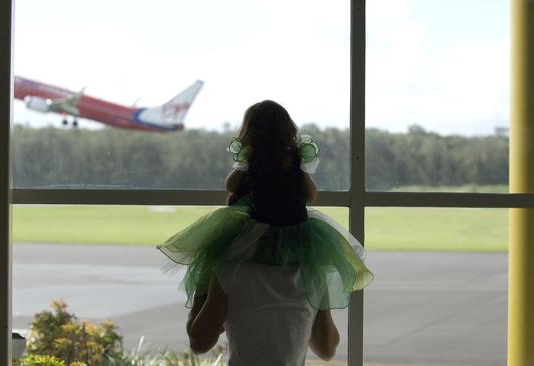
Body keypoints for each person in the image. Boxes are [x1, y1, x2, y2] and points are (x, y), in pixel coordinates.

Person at [158, 100, 373, 365]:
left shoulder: (229, 270)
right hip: (299, 246)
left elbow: (200, 343)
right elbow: (327, 350)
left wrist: (204, 287)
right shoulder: (312, 274)